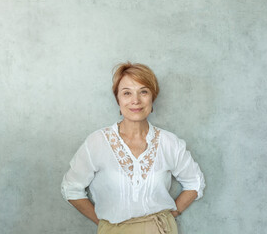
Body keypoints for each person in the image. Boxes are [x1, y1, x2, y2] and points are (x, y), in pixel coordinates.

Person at [61, 62, 206, 234]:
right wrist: (105, 224)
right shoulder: (97, 142)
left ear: (153, 97)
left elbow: (195, 182)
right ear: (118, 99)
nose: (135, 100)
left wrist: (171, 214)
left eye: (143, 92)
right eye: (127, 93)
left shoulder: (169, 143)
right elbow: (71, 188)